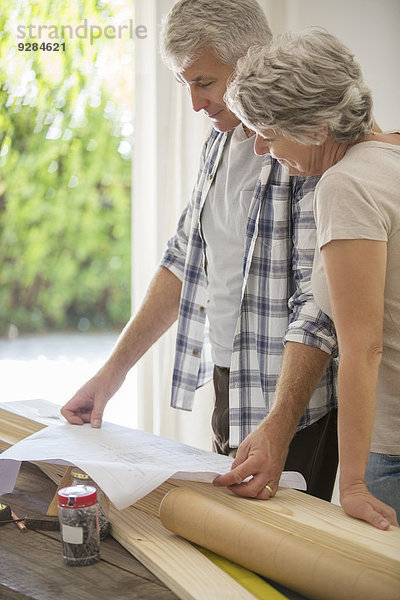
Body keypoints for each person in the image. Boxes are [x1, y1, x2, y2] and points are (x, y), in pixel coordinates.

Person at [61, 1, 339, 502]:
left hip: (292, 401)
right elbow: (183, 261)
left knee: (278, 559)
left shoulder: (305, 144)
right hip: (229, 377)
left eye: (204, 83)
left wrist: (279, 423)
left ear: (252, 58)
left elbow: (319, 303)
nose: (194, 104)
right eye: (183, 84)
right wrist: (110, 375)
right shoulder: (220, 139)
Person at [224, 26, 399, 529]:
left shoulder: (346, 186)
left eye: (268, 131)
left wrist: (355, 484)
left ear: (318, 128)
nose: (260, 149)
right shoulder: (391, 155)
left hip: (393, 453)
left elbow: (363, 345)